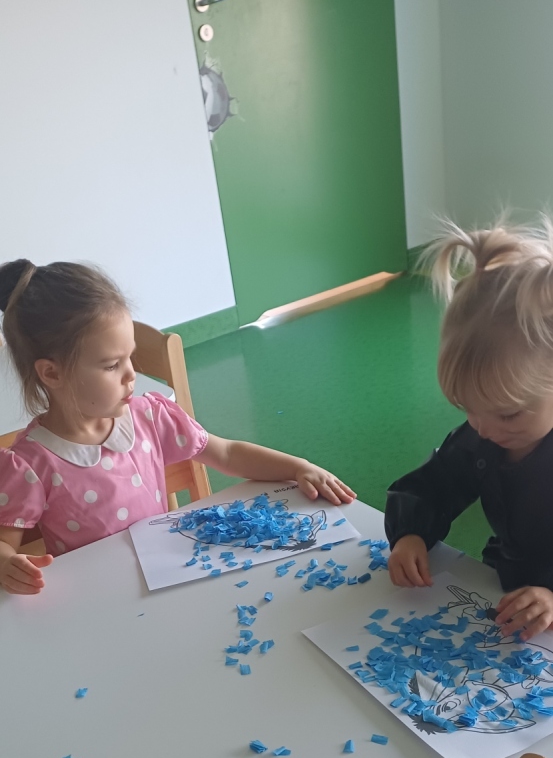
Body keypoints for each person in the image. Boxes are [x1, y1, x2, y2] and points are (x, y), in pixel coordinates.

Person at [0, 259, 355, 595]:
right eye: (111, 365)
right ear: (52, 373)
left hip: (168, 581)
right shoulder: (29, 464)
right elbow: (4, 543)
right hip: (100, 599)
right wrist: (6, 564)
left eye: (130, 357)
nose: (131, 374)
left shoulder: (150, 417)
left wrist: (298, 467)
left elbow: (227, 453)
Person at [385, 217, 553, 642]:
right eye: (468, 409)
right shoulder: (483, 436)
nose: (484, 429)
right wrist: (410, 533)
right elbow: (432, 486)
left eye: (508, 415)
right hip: (504, 587)